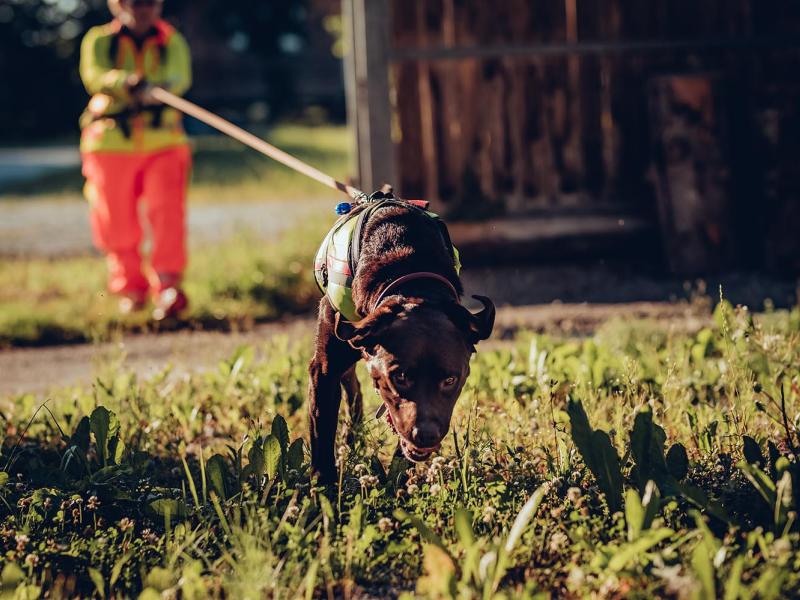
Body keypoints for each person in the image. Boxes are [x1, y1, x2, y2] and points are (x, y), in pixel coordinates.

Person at [79, 0, 192, 319]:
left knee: (167, 212)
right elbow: (94, 75)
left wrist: (162, 87)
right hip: (110, 143)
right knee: (116, 219)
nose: (142, 8)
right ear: (118, 5)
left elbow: (180, 77)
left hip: (164, 142)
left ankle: (169, 286)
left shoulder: (172, 41)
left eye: (149, 2)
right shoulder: (99, 40)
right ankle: (130, 289)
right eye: (134, 1)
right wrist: (125, 82)